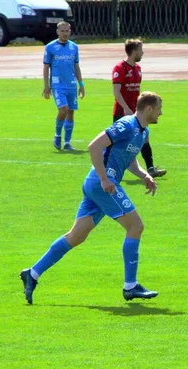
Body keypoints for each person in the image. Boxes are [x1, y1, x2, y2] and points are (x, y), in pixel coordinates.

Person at [19, 92, 164, 305]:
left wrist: (145, 176)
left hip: (98, 184)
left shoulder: (143, 132)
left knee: (76, 236)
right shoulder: (126, 125)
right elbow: (94, 146)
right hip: (102, 183)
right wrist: (105, 179)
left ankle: (32, 273)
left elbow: (129, 159)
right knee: (135, 227)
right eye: (159, 108)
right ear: (149, 109)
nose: (161, 112)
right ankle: (130, 286)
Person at [112, 39, 167, 178]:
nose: (143, 53)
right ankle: (109, 169)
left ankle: (150, 169)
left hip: (137, 113)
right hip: (122, 112)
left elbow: (137, 92)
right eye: (141, 50)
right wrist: (125, 108)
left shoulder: (138, 69)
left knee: (144, 138)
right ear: (134, 51)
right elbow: (116, 92)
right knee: (118, 142)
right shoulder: (119, 68)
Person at [43, 21, 85, 151]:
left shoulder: (74, 47)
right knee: (63, 109)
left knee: (71, 112)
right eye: (62, 31)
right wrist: (46, 85)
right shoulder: (50, 47)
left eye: (67, 31)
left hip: (71, 85)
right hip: (57, 85)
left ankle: (67, 143)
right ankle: (57, 135)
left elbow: (76, 66)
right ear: (57, 32)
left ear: (70, 31)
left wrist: (81, 84)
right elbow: (46, 67)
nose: (65, 33)